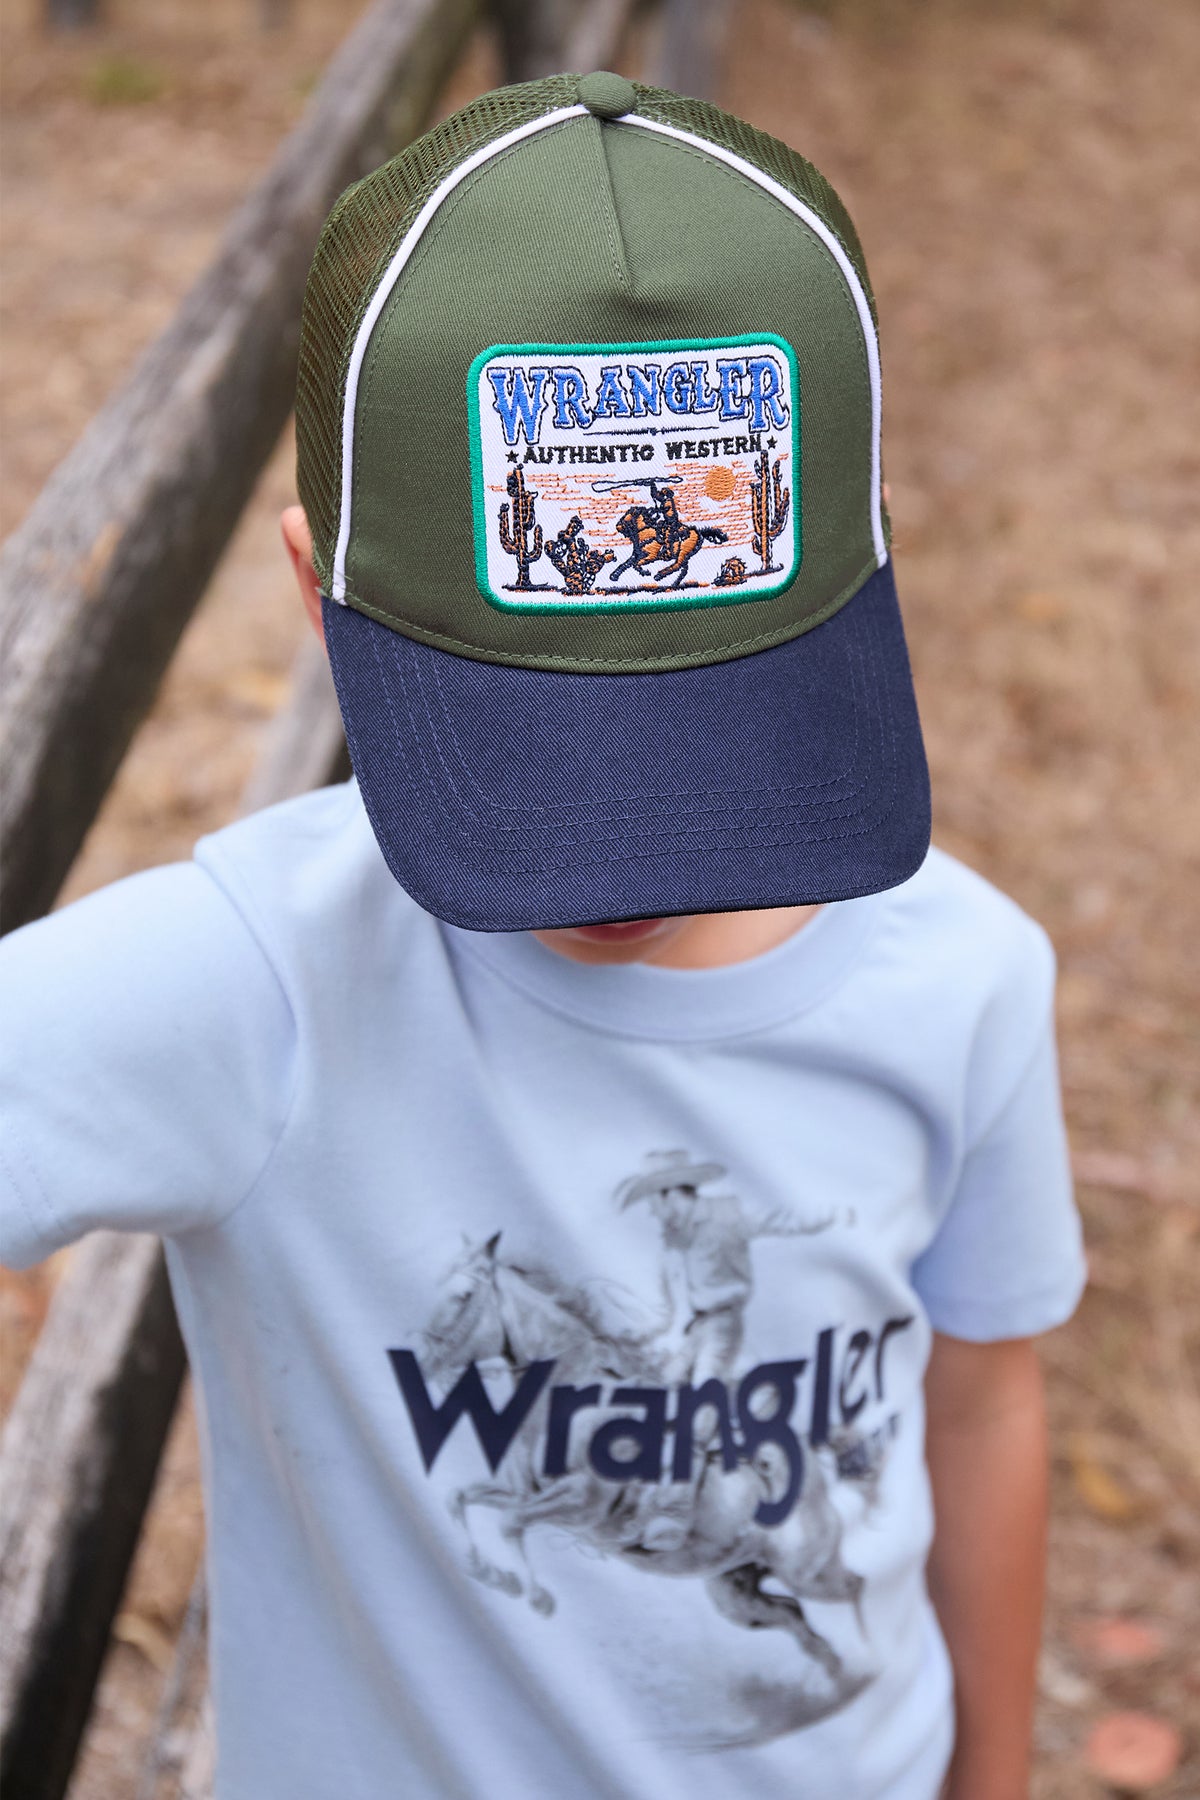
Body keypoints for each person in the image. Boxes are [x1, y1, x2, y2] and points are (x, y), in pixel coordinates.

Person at [0, 70, 1085, 1800]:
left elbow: (981, 1398)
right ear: (316, 588)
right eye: (531, 756)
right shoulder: (268, 984)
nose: (621, 862)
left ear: (870, 562)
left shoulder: (961, 976)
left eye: (705, 740)